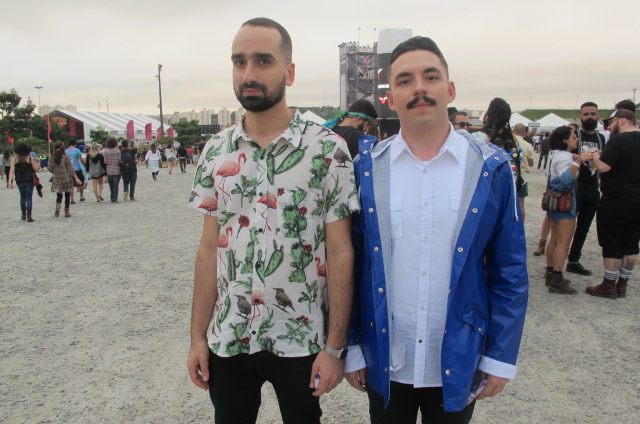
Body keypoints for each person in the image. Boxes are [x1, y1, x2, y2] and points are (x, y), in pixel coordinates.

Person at [345, 36, 528, 423]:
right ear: (390, 98)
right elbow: (355, 262)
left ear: (450, 88)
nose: (420, 88)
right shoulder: (368, 170)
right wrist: (353, 346)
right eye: (405, 80)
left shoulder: (490, 168)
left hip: (459, 356)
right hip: (388, 356)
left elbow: (508, 268)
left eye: (430, 77)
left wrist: (500, 354)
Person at [186, 17, 358, 424]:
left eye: (263, 61)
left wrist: (334, 348)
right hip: (229, 336)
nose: (248, 74)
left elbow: (340, 251)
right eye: (239, 62)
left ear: (290, 71)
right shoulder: (215, 151)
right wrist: (197, 337)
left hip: (299, 338)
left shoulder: (326, 151)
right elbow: (210, 247)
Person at [586, 109, 640, 298]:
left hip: (616, 200)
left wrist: (594, 154)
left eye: (612, 121)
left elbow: (604, 166)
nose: (609, 126)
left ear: (623, 120)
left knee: (612, 242)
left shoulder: (617, 140)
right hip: (637, 198)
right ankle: (622, 284)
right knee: (632, 243)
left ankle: (608, 285)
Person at [544, 127, 593, 293]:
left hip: (554, 202)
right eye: (573, 137)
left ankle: (550, 271)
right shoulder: (565, 157)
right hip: (565, 202)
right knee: (563, 243)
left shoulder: (554, 155)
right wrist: (578, 161)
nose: (576, 140)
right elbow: (566, 179)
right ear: (565, 140)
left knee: (554, 240)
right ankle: (557, 277)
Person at [565, 102, 606, 276]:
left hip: (593, 187)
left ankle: (574, 259)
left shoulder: (601, 138)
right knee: (567, 225)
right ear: (581, 116)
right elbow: (563, 153)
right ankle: (558, 260)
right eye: (586, 114)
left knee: (584, 226)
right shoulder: (576, 135)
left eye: (593, 114)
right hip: (576, 187)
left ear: (598, 116)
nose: (589, 117)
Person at [8, 143, 41, 222]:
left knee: (22, 197)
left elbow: (12, 171)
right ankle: (29, 216)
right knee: (29, 198)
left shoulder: (14, 159)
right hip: (29, 180)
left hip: (19, 180)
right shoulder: (29, 158)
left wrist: (10, 181)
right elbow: (36, 169)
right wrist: (38, 162)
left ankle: (23, 215)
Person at [49, 141, 82, 217]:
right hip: (67, 178)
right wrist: (76, 178)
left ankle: (57, 209)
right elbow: (70, 169)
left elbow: (50, 169)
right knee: (67, 195)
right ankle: (66, 212)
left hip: (57, 179)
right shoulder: (65, 157)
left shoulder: (52, 157)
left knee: (59, 195)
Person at [513, 123, 535, 221]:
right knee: (521, 203)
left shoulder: (509, 141)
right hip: (522, 177)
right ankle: (521, 227)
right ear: (524, 132)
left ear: (513, 130)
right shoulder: (527, 145)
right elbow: (531, 164)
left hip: (510, 176)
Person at [65, 138, 86, 203]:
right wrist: (85, 165)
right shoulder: (77, 150)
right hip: (77, 168)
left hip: (69, 169)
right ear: (75, 144)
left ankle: (72, 199)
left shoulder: (65, 151)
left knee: (71, 184)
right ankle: (81, 196)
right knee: (81, 182)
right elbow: (81, 159)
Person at [102, 137, 122, 203]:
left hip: (109, 170)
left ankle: (112, 196)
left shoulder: (105, 151)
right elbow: (119, 160)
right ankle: (114, 198)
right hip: (117, 170)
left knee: (111, 185)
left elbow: (104, 161)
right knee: (116, 185)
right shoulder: (118, 151)